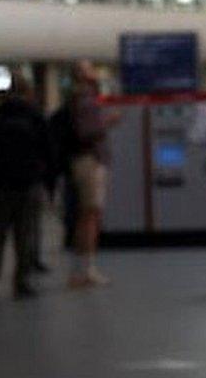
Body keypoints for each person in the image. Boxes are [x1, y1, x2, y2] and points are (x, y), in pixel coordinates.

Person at [0, 74, 53, 300]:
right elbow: (47, 148)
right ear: (28, 91)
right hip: (28, 183)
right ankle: (22, 282)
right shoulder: (34, 115)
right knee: (24, 235)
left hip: (2, 183)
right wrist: (46, 178)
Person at [67, 61, 119, 288]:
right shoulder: (84, 100)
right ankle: (85, 269)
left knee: (88, 215)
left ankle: (82, 268)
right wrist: (108, 122)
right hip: (89, 161)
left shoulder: (84, 98)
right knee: (91, 215)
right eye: (89, 68)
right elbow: (85, 132)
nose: (94, 72)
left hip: (88, 160)